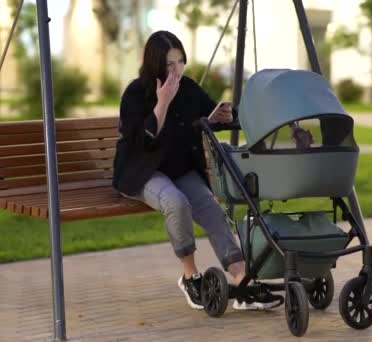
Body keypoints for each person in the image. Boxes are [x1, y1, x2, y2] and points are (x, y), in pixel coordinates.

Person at [112, 31, 282, 311]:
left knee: (211, 208)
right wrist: (163, 101)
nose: (176, 70)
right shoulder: (134, 94)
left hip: (179, 170)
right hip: (141, 172)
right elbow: (143, 141)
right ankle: (190, 275)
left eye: (180, 61)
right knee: (175, 202)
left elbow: (209, 114)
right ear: (155, 64)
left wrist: (221, 117)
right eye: (169, 64)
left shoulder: (188, 87)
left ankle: (241, 279)